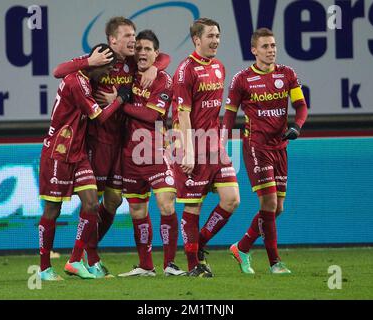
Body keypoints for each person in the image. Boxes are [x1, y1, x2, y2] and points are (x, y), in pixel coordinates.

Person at [52, 17, 170, 275]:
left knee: (114, 201)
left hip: (122, 142)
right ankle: (86, 257)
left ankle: (87, 254)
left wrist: (154, 69)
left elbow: (164, 58)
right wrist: (88, 62)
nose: (133, 40)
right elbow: (59, 70)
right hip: (95, 141)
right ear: (112, 40)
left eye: (134, 35)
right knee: (91, 201)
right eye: (128, 36)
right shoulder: (99, 58)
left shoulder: (132, 62)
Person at [38, 44, 130, 281]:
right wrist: (120, 100)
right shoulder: (77, 82)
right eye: (106, 70)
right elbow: (99, 117)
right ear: (96, 63)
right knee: (53, 209)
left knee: (90, 202)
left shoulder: (86, 77)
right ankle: (45, 267)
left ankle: (75, 260)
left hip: (77, 153)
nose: (107, 75)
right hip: (58, 151)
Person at [222, 28, 308, 274]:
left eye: (273, 46)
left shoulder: (287, 74)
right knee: (269, 202)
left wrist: (297, 127)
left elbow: (301, 107)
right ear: (254, 50)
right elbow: (229, 116)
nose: (271, 50)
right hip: (255, 147)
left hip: (280, 146)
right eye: (265, 47)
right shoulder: (242, 79)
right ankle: (275, 263)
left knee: (278, 208)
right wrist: (220, 144)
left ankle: (242, 247)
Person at [103, 30, 186, 277]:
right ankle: (145, 265)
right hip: (128, 153)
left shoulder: (163, 80)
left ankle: (170, 264)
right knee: (137, 211)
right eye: (138, 48)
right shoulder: (128, 70)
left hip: (154, 151)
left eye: (147, 49)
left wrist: (118, 102)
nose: (141, 52)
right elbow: (160, 56)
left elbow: (152, 115)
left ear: (155, 53)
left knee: (166, 204)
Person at [171, 18, 240, 277]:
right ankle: (193, 267)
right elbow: (183, 114)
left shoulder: (220, 67)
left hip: (214, 146)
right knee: (193, 207)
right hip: (193, 144)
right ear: (196, 39)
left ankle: (199, 243)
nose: (216, 41)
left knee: (231, 199)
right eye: (210, 36)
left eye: (218, 36)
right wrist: (187, 151)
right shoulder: (185, 70)